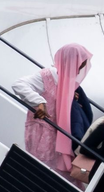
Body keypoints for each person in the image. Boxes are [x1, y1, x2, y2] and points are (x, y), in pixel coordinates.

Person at [13, 44, 93, 180]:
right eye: (79, 64)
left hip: (58, 136)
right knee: (42, 172)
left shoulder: (68, 82)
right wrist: (39, 102)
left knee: (58, 176)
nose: (79, 70)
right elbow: (19, 85)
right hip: (42, 133)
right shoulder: (48, 75)